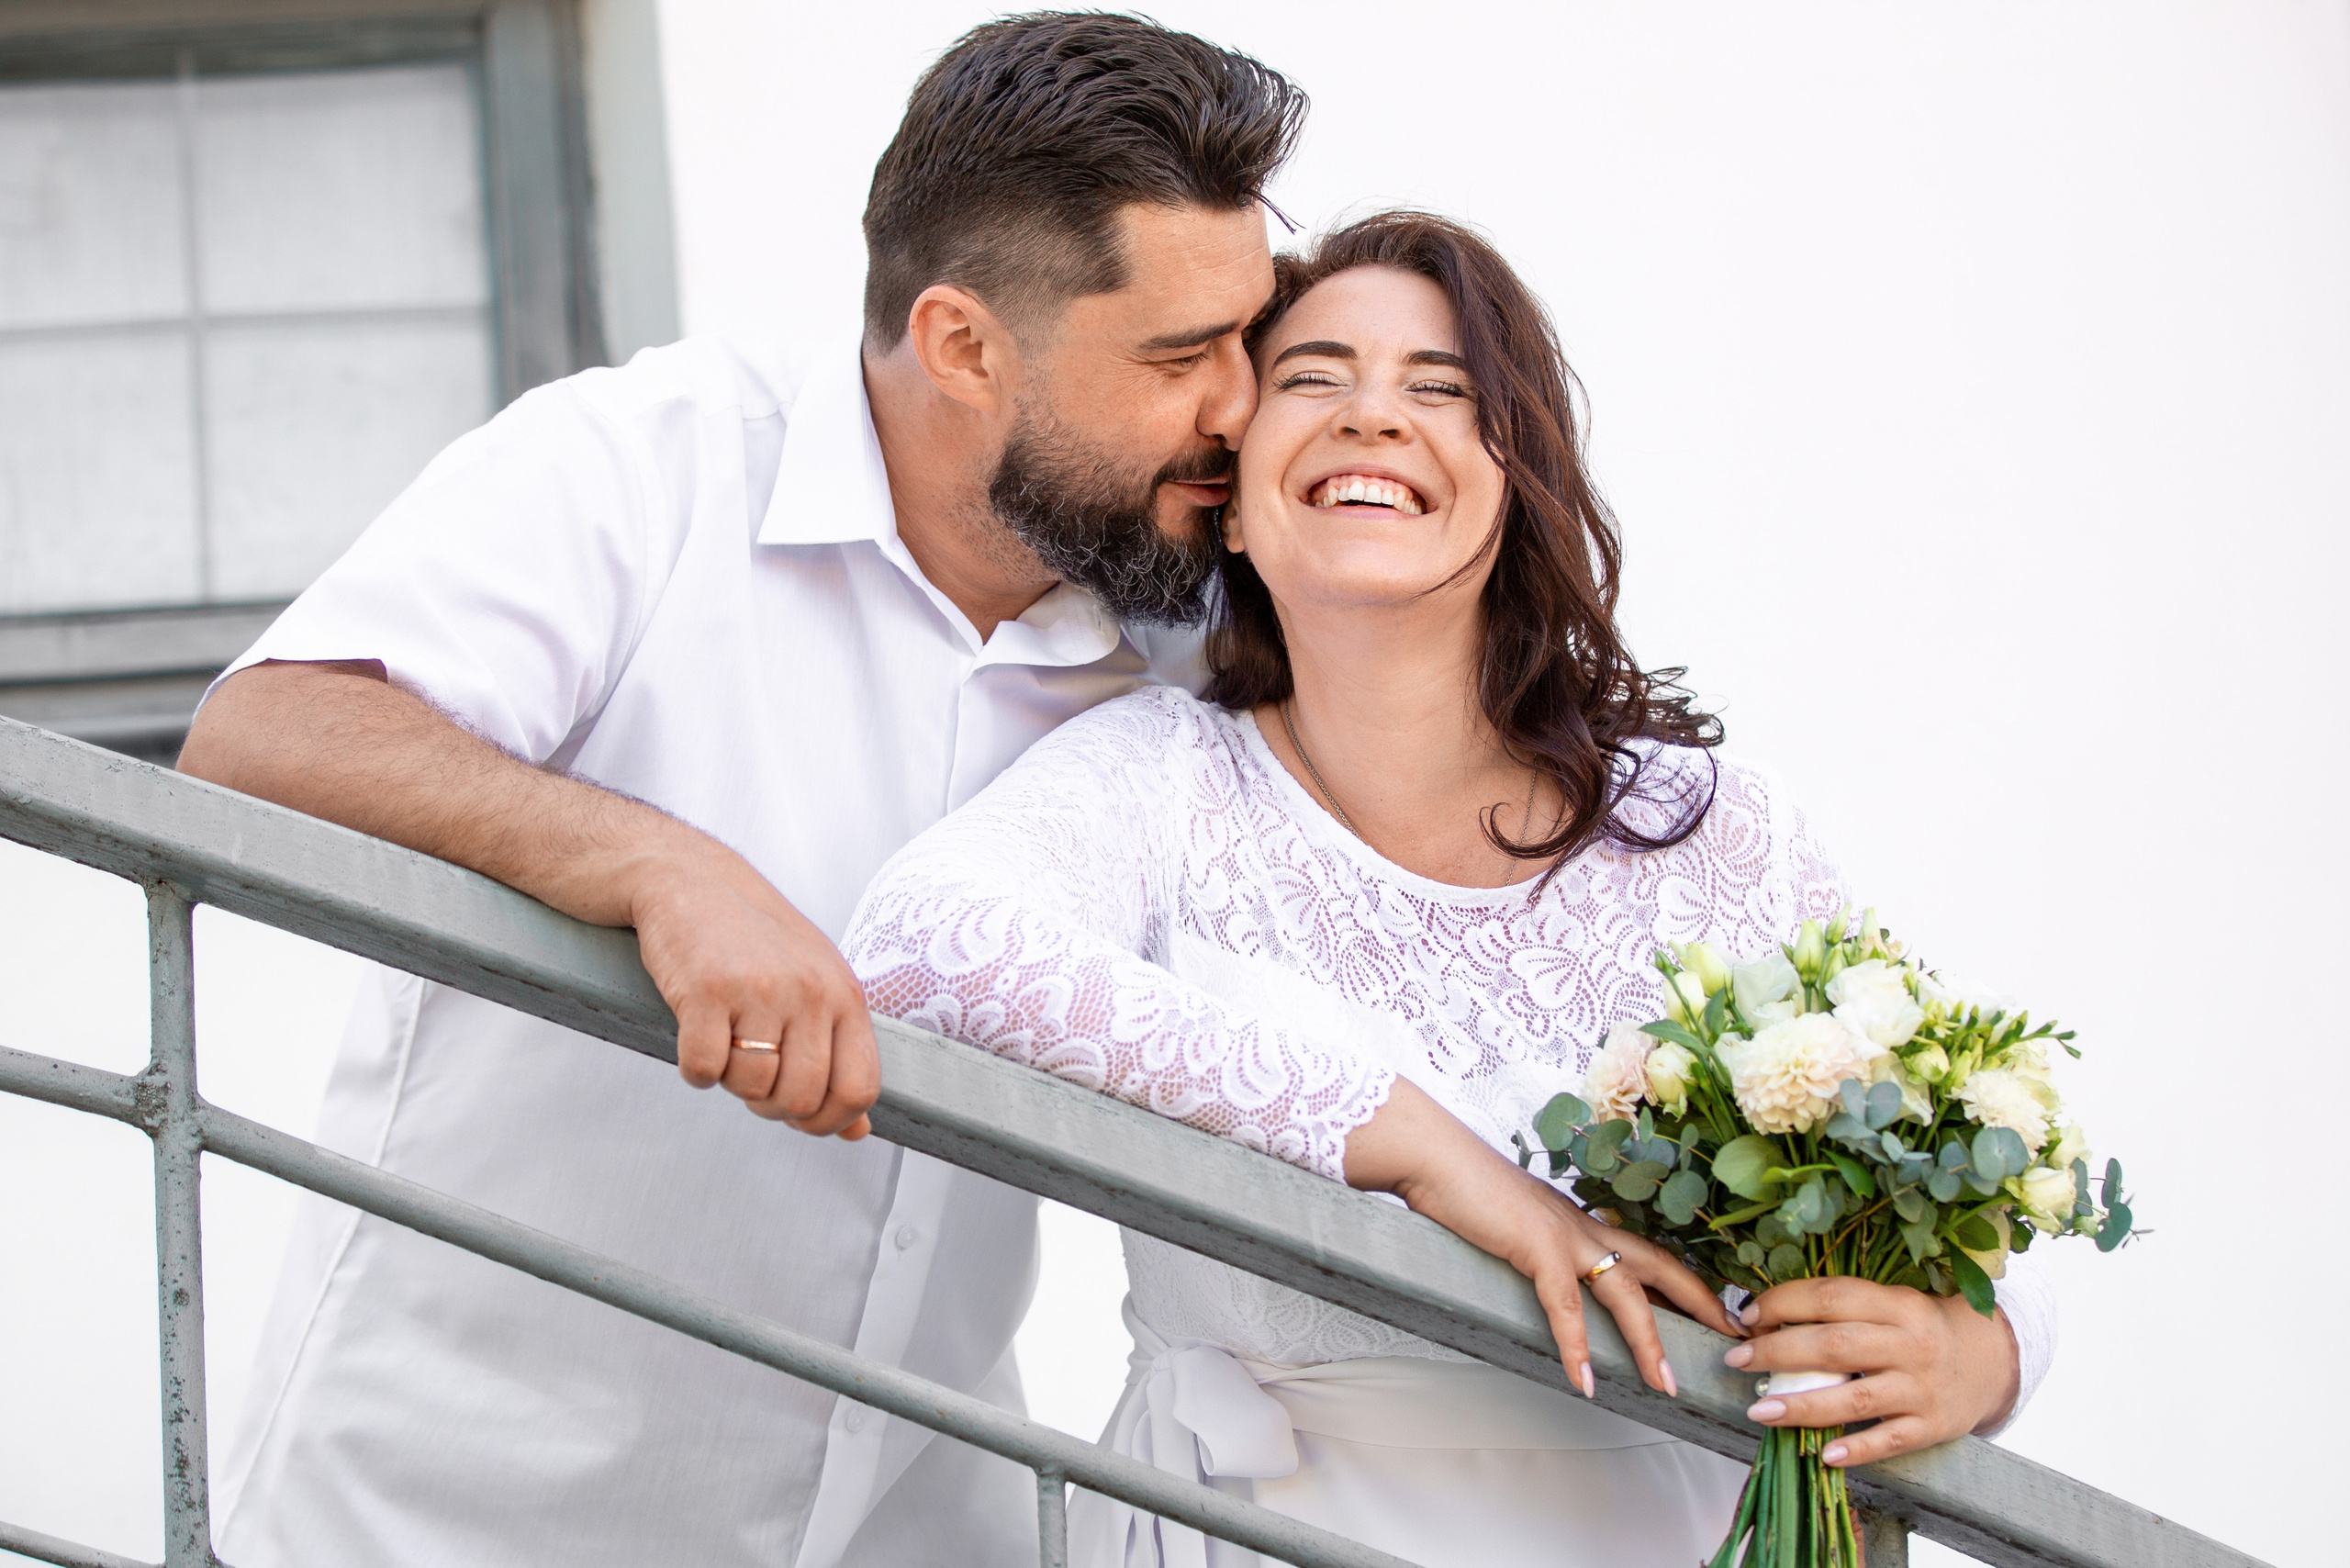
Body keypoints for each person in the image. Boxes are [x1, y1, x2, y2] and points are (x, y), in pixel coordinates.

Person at [173, 16, 1308, 1566]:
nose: (1242, 405)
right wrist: (658, 869)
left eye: (1249, 337)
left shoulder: (1198, 612)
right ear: (964, 344)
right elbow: (268, 737)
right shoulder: (639, 465)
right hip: (447, 1517)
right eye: (1181, 357)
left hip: (920, 1523)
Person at [843, 211, 2057, 1567]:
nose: (1375, 418)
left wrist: (1990, 1353)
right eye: (1312, 378)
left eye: (1443, 390)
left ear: (1514, 480)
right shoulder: (1156, 778)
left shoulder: (1716, 829)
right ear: (1228, 494)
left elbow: (1976, 1179)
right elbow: (921, 949)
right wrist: (1418, 1149)